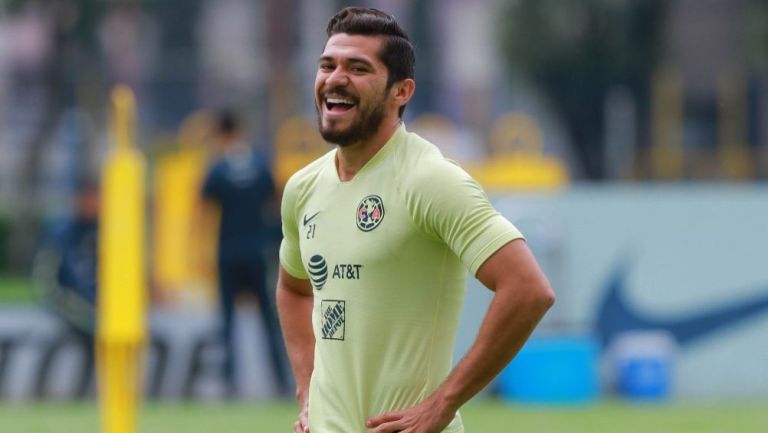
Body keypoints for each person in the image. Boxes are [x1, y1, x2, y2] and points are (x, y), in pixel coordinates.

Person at [277, 7, 555, 433]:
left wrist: (442, 403)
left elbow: (528, 289)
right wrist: (306, 390)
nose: (335, 79)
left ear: (401, 91)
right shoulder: (303, 187)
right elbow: (294, 289)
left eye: (358, 68)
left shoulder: (429, 180)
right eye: (327, 65)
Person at [201, 109, 289, 397]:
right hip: (257, 253)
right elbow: (275, 204)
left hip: (228, 253)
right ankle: (282, 382)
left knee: (227, 322)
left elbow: (202, 209)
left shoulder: (217, 168)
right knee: (269, 320)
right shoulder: (260, 164)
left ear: (221, 133)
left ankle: (229, 384)